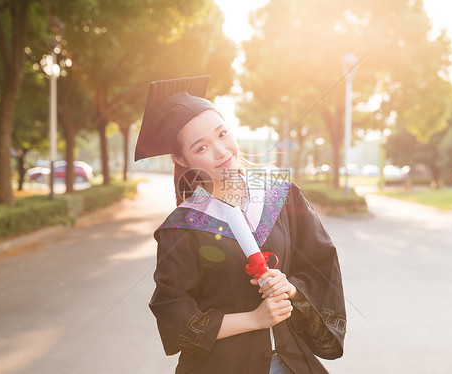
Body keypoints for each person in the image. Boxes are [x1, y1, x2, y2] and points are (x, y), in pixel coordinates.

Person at [135, 76, 346, 374]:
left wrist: (292, 289)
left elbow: (321, 267)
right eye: (201, 148)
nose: (221, 151)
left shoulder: (282, 198)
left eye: (222, 134)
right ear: (180, 158)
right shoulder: (182, 228)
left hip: (292, 363)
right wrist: (254, 319)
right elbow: (173, 313)